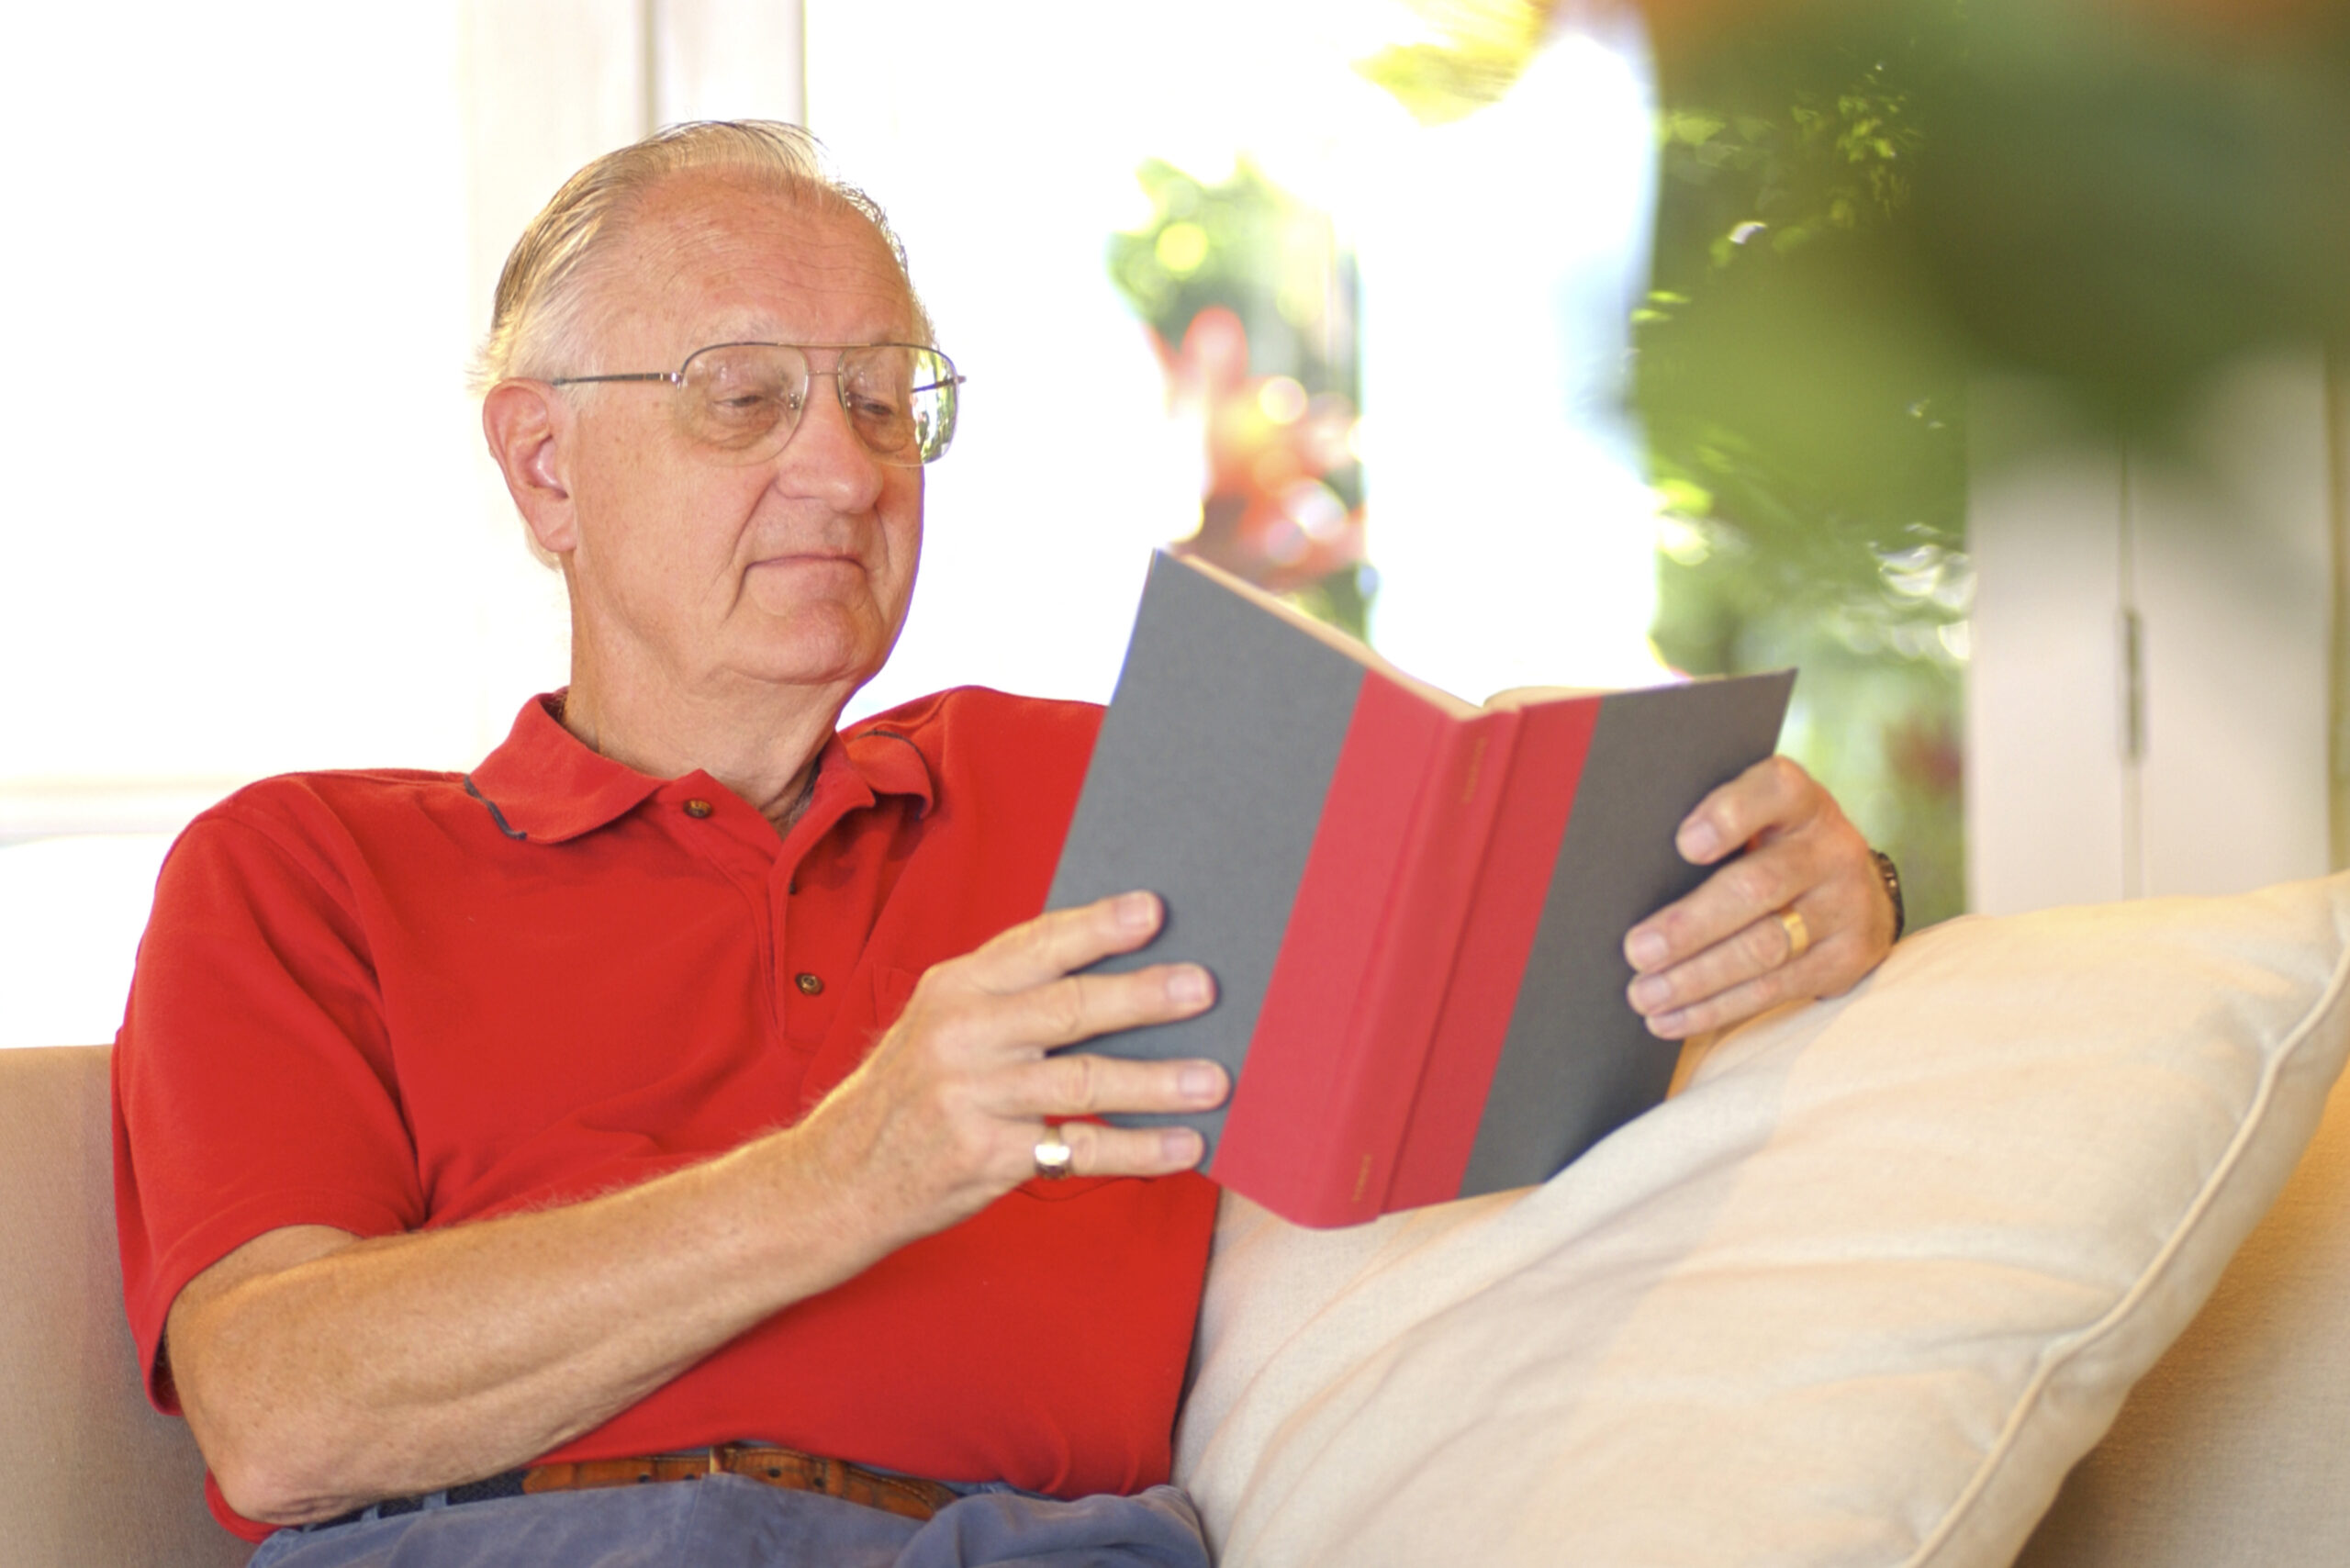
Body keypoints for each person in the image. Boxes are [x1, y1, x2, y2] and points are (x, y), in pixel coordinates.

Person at [113, 121, 1901, 1568]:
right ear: (543, 469)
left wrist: (1825, 880)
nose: (844, 466)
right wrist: (856, 1164)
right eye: (745, 397)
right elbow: (280, 1411)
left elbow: (1510, 871)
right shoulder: (304, 864)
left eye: (886, 399)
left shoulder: (1105, 784)